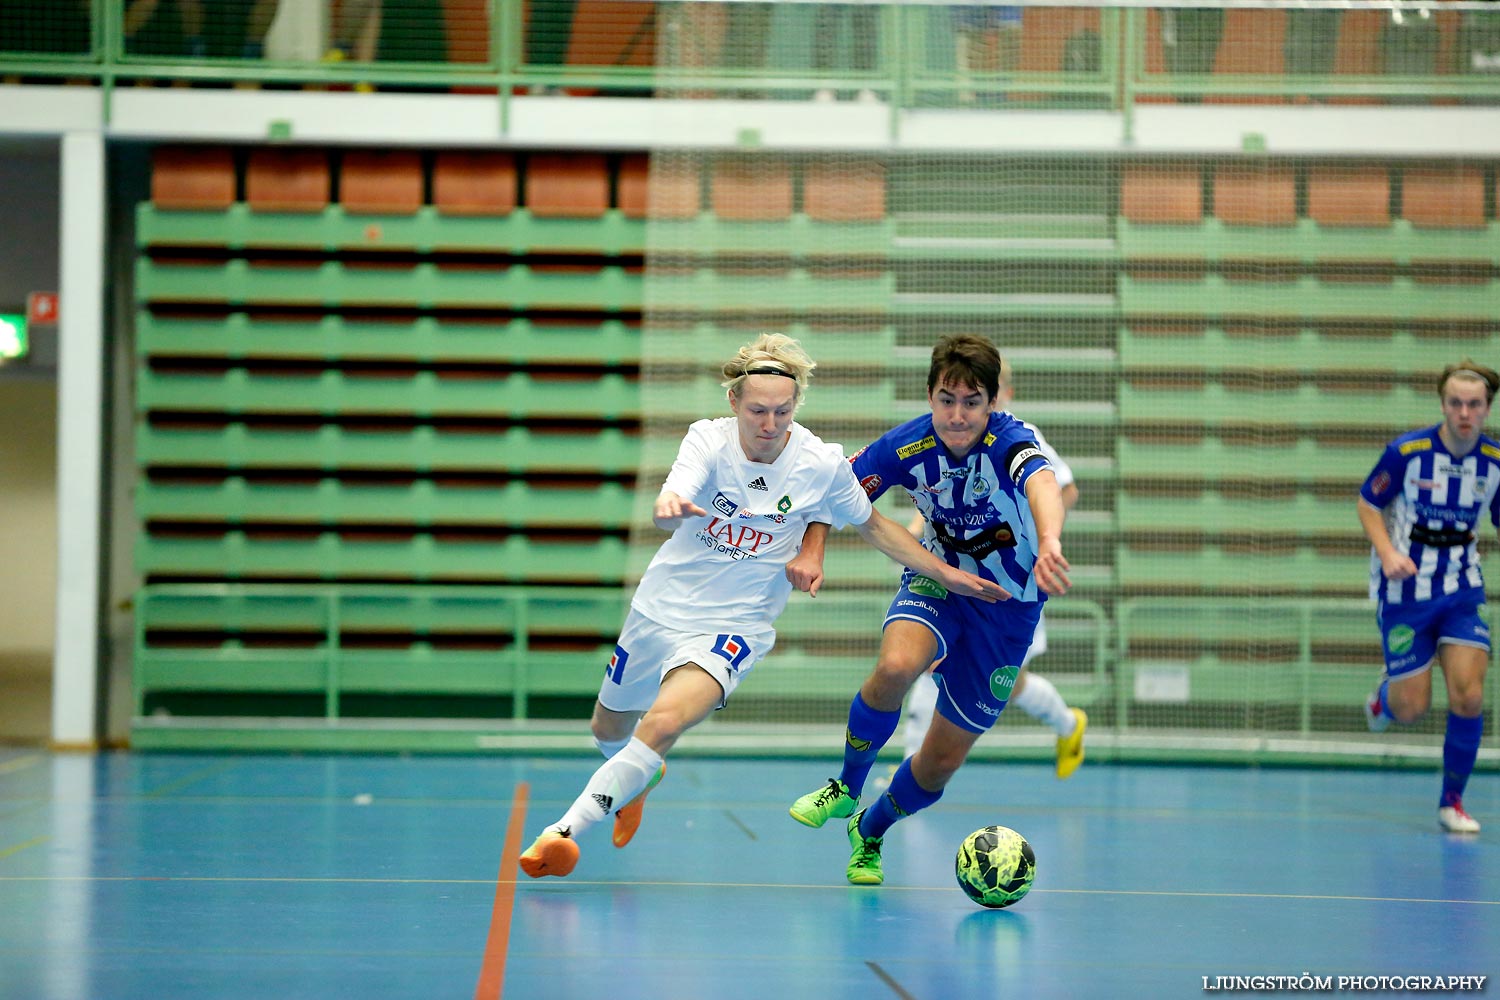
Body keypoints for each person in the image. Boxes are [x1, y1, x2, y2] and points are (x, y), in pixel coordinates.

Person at [519, 334, 1007, 878]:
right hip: (661, 608)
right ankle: (637, 777)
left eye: (782, 410)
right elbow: (673, 497)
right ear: (734, 403)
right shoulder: (707, 439)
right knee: (609, 732)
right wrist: (668, 505)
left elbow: (875, 526)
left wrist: (944, 573)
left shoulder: (819, 462)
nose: (769, 424)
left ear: (796, 405)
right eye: (757, 410)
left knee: (662, 723)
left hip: (736, 626)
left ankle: (561, 833)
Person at [787, 333, 1070, 886]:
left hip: (1007, 612)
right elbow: (836, 490)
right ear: (930, 395)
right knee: (895, 667)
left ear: (993, 404)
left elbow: (1042, 484)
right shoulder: (906, 446)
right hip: (939, 585)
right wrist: (812, 549)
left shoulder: (1013, 441)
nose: (957, 415)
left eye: (972, 402)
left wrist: (1051, 539)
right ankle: (846, 785)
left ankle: (869, 830)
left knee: (939, 765)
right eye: (946, 399)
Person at [900, 359, 1085, 776]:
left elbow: (1064, 489)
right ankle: (909, 769)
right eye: (953, 397)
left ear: (998, 398)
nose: (963, 409)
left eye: (978, 395)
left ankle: (1068, 724)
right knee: (930, 662)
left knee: (1004, 683)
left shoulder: (1021, 437)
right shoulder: (946, 439)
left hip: (1010, 589)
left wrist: (1038, 540)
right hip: (955, 581)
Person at [1359, 358, 1500, 835]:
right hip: (1406, 592)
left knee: (1470, 695)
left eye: (1474, 404)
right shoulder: (1406, 452)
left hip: (1462, 589)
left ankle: (1451, 802)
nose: (1464, 412)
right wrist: (1386, 552)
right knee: (1411, 708)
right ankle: (1384, 700)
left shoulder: (1495, 464)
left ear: (1486, 409)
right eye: (1455, 403)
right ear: (1443, 405)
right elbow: (1368, 502)